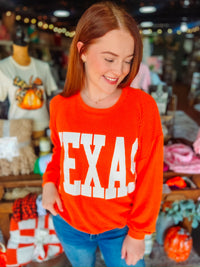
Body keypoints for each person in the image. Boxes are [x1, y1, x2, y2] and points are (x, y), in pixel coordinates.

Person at [42, 2, 163, 267]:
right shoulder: (60, 106)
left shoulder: (142, 107)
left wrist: (138, 233)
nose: (119, 71)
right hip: (69, 224)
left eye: (128, 61)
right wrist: (49, 182)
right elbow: (60, 152)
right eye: (109, 59)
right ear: (82, 51)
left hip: (121, 230)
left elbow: (150, 176)